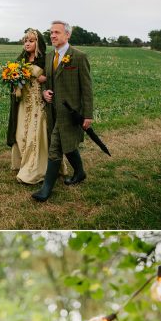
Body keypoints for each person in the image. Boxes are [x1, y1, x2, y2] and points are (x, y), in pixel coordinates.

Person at [32, 20, 94, 202]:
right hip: (53, 110)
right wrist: (45, 93)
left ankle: (46, 189)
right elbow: (49, 82)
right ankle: (80, 172)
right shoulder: (50, 57)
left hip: (70, 112)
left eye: (57, 32)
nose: (52, 35)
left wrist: (88, 114)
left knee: (55, 147)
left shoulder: (79, 57)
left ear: (67, 35)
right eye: (51, 32)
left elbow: (87, 88)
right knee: (67, 144)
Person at [6, 29, 50, 185]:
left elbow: (48, 78)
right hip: (24, 103)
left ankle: (34, 170)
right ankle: (22, 164)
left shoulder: (45, 59)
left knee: (34, 135)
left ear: (38, 43)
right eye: (25, 40)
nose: (27, 43)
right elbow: (15, 80)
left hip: (38, 103)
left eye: (31, 41)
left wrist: (38, 74)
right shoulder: (20, 60)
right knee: (21, 133)